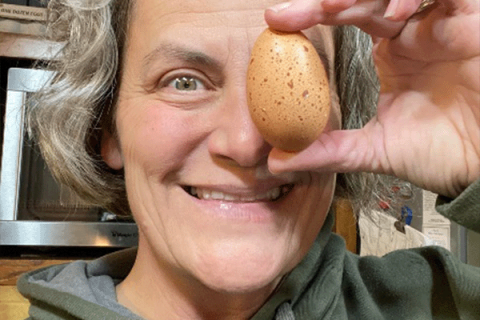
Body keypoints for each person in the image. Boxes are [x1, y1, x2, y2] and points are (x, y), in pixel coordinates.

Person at [17, 0, 479, 319]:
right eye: (184, 82)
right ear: (108, 129)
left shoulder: (436, 301)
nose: (244, 142)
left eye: (302, 79)